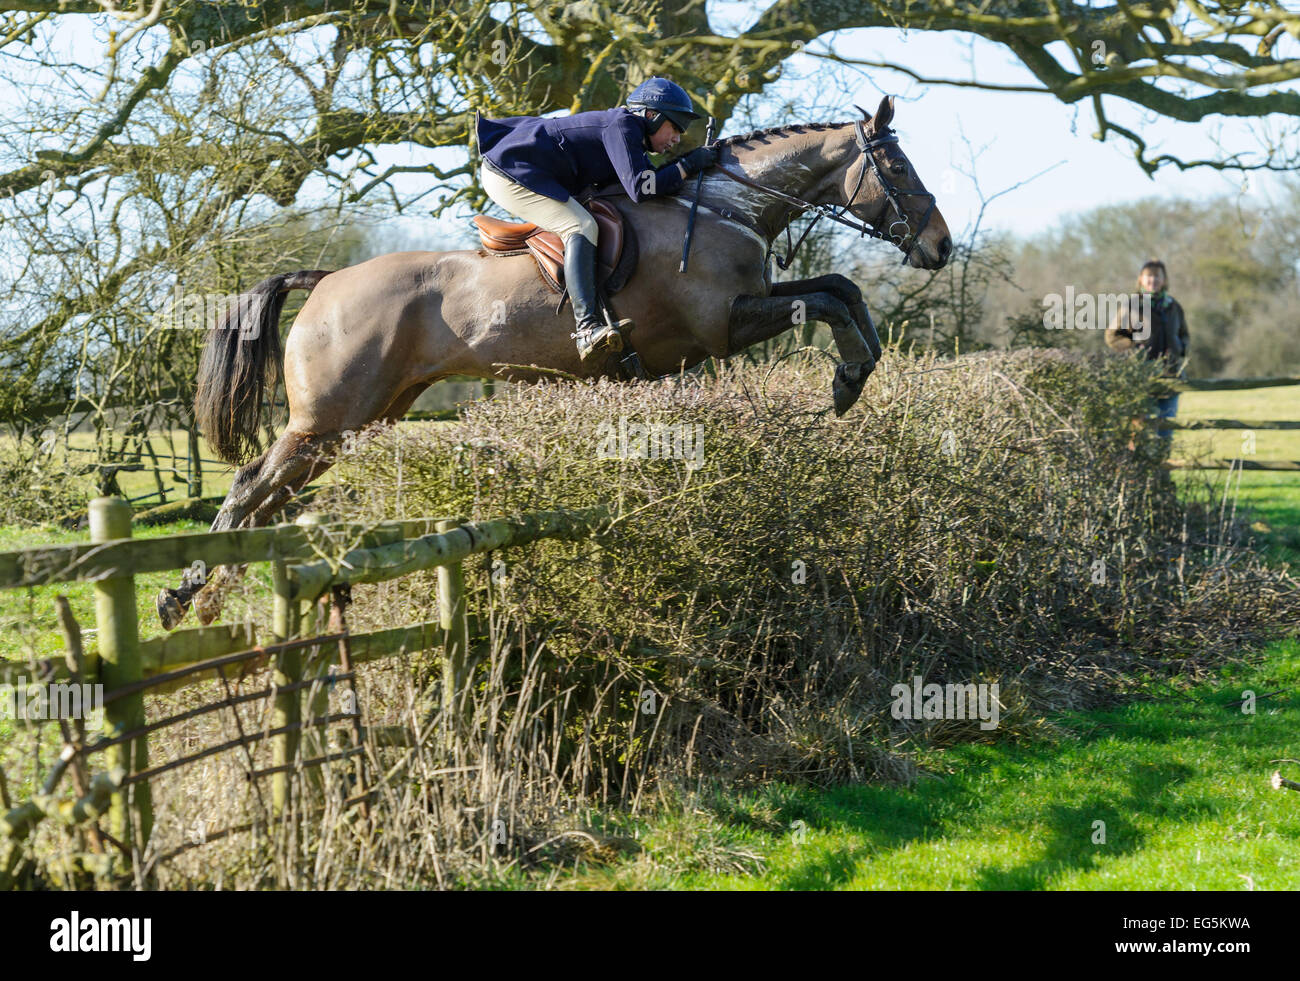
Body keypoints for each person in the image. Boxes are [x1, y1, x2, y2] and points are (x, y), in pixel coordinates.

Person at [475, 77, 719, 361]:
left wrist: (682, 168)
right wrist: (687, 165)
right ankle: (586, 329)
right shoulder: (624, 126)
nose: (677, 138)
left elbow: (641, 185)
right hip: (508, 172)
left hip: (529, 168)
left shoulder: (630, 135)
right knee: (580, 225)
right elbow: (643, 188)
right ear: (651, 116)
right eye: (675, 127)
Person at [1104, 259, 1190, 440]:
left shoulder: (1174, 306)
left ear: (1164, 280)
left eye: (1157, 276)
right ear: (1141, 280)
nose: (1153, 280)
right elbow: (1112, 336)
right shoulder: (1132, 305)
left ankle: (1163, 468)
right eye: (1149, 276)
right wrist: (1135, 348)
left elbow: (1184, 335)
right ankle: (1139, 466)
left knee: (1166, 429)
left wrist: (1180, 348)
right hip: (1141, 377)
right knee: (1140, 431)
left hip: (1171, 376)